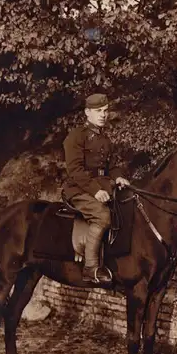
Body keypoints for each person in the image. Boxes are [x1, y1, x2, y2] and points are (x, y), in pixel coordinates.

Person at [63, 93, 130, 283]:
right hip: (77, 189)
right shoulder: (76, 136)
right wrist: (95, 191)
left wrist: (118, 177)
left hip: (103, 186)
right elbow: (74, 170)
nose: (103, 114)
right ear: (87, 113)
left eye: (105, 110)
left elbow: (113, 166)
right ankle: (90, 268)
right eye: (98, 111)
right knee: (102, 216)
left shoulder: (106, 140)